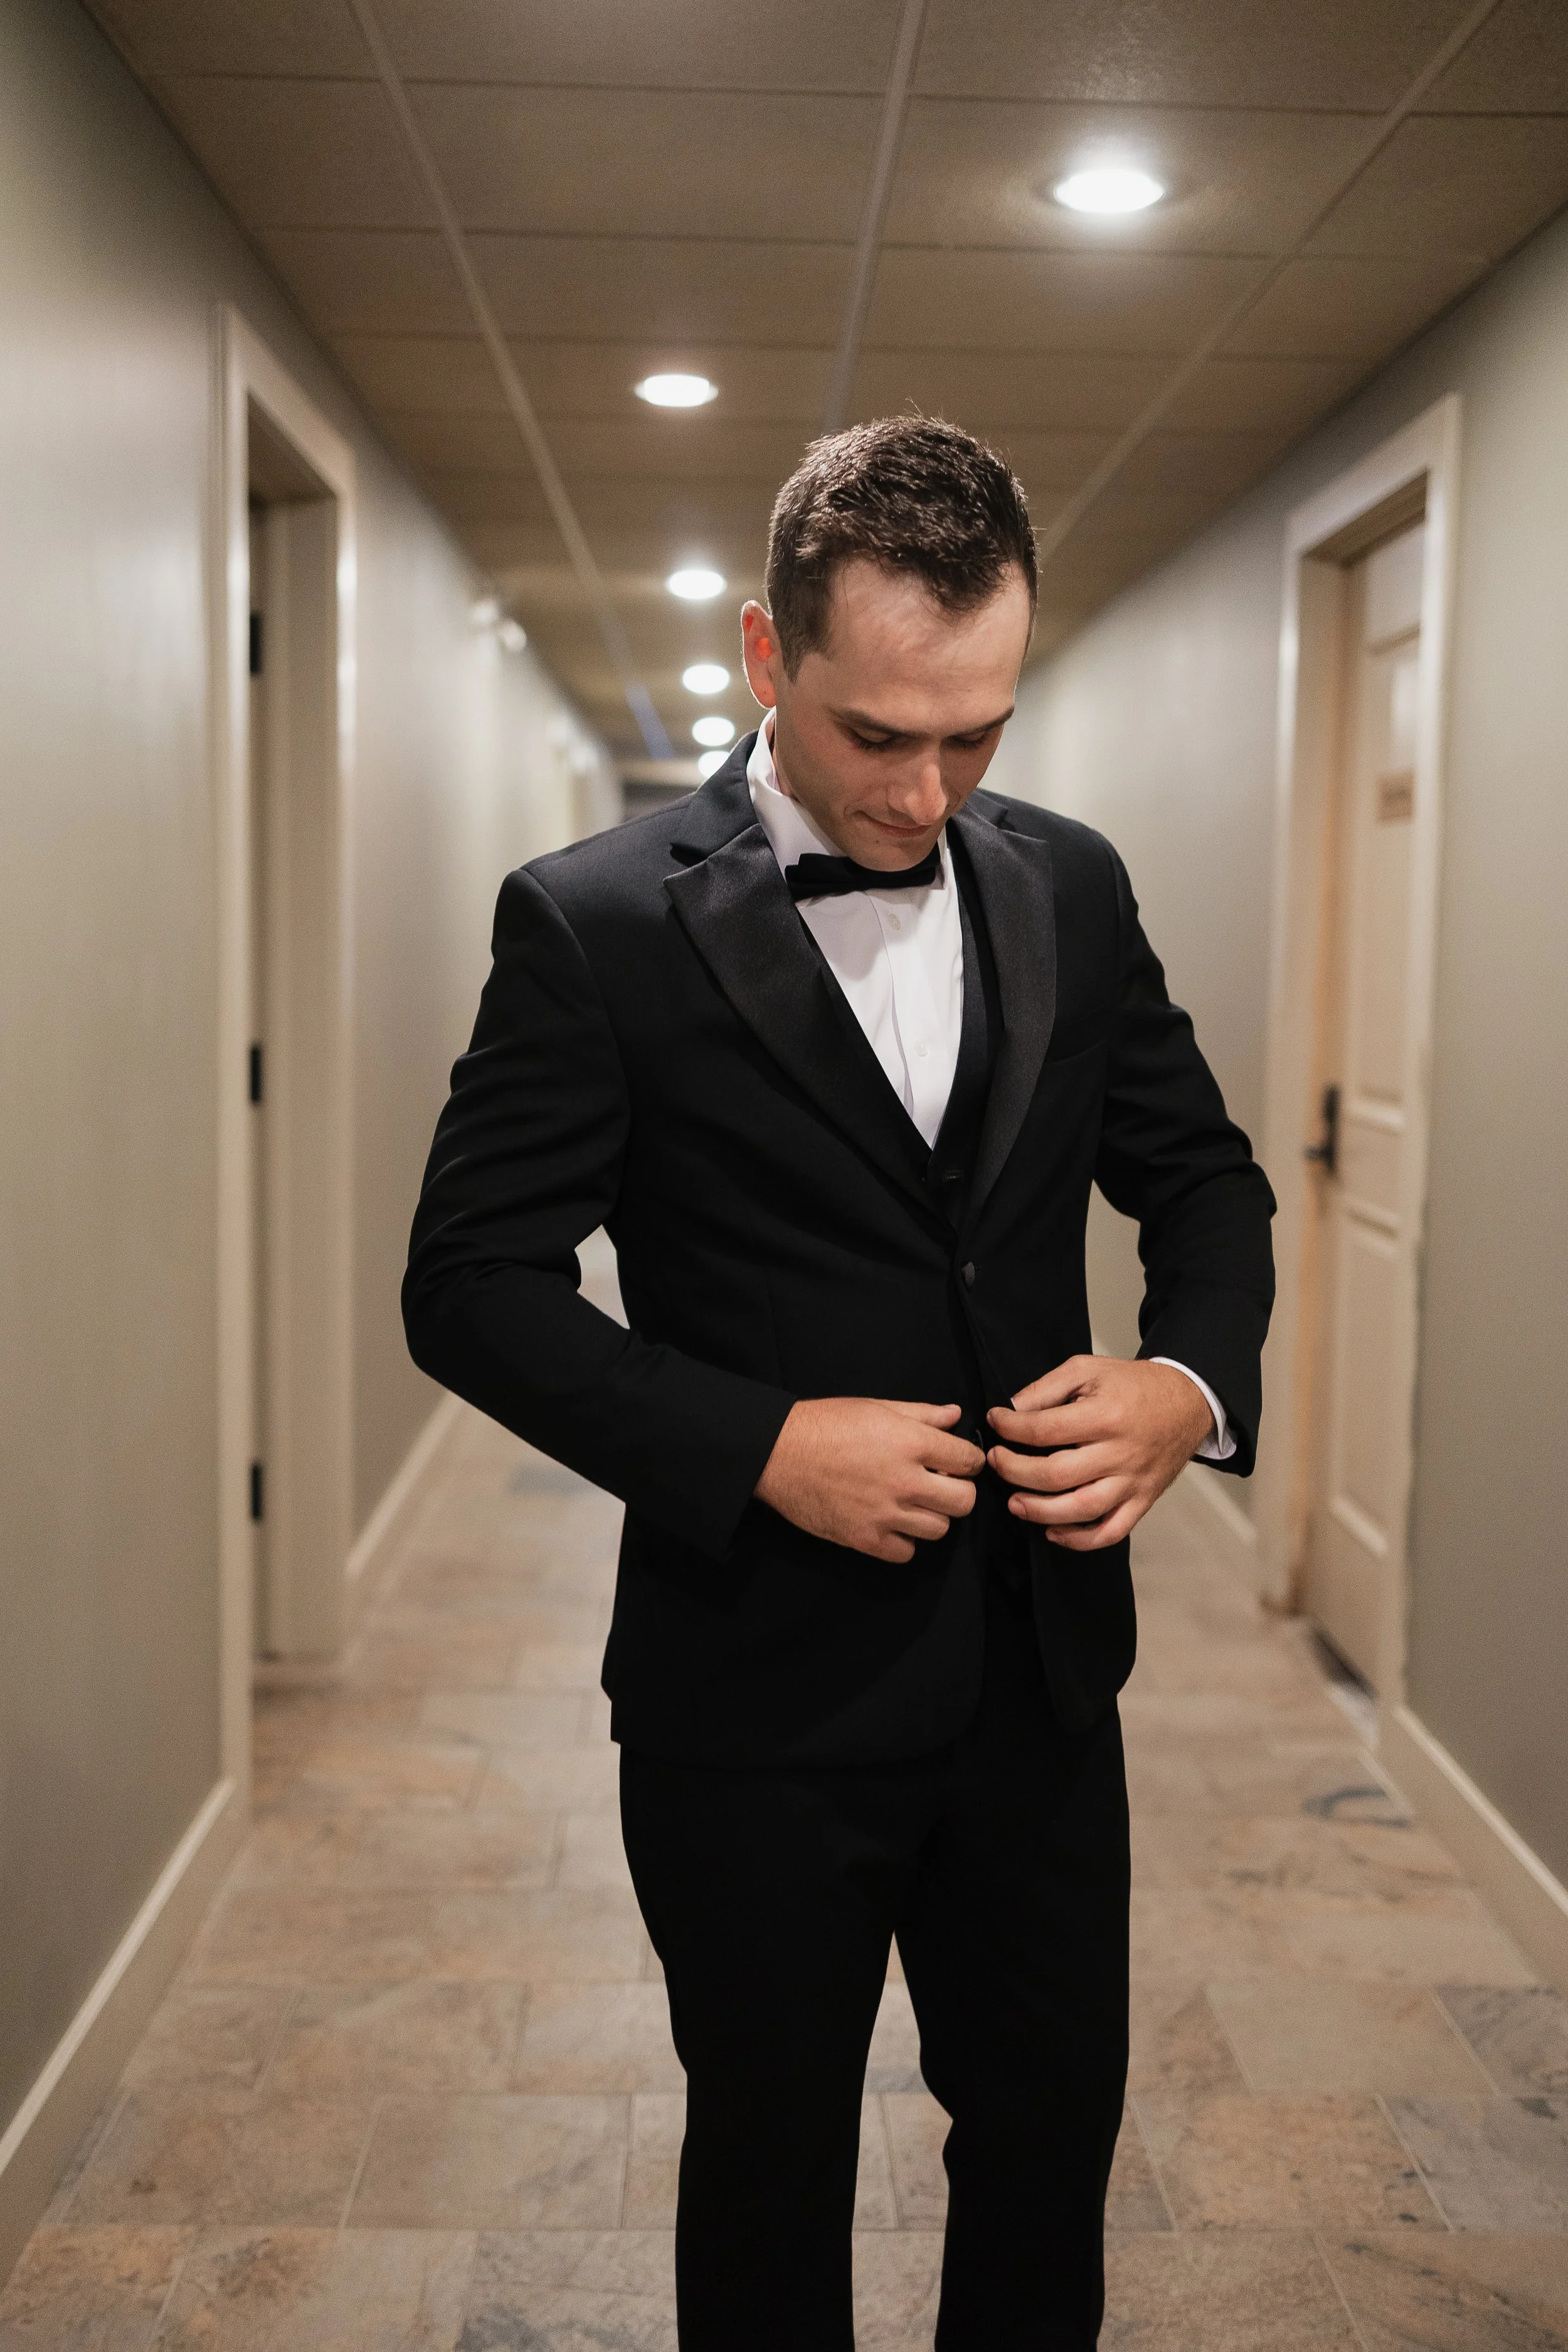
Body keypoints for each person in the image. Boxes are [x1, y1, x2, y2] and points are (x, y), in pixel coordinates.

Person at [403, 418, 1275, 2350]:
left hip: (1041, 1677)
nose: (931, 785)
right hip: (755, 1691)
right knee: (772, 2162)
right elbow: (467, 1284)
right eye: (883, 734)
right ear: (764, 652)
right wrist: (757, 1441)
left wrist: (1184, 1384)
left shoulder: (1069, 879)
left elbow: (1201, 1177)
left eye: (978, 730)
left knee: (1048, 2140)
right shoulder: (597, 921)